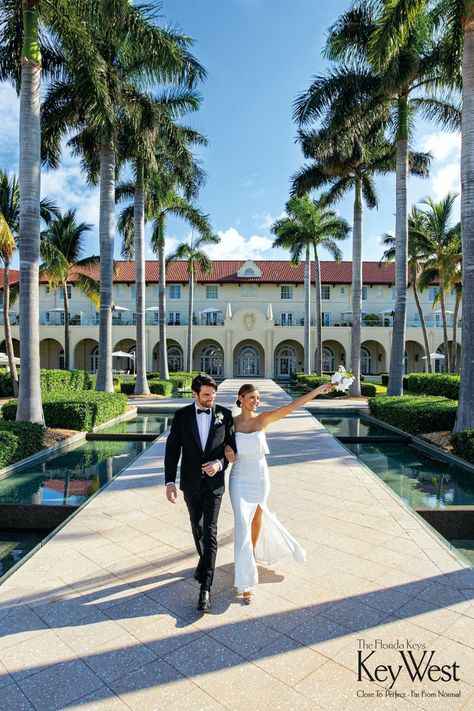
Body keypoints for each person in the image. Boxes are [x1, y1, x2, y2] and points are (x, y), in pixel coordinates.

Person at [224, 380, 334, 603]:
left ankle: (250, 556)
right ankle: (246, 583)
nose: (256, 401)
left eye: (258, 398)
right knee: (242, 524)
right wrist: (227, 446)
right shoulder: (231, 423)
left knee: (256, 520)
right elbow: (220, 441)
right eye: (252, 397)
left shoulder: (263, 419)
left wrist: (318, 390)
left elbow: (292, 406)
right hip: (238, 477)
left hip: (260, 476)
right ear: (241, 398)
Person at [164, 373, 235, 612]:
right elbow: (172, 450)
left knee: (210, 530)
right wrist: (169, 482)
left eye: (213, 395)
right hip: (191, 483)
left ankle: (205, 588)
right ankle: (204, 563)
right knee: (197, 526)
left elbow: (232, 448)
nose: (210, 399)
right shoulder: (181, 416)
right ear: (194, 393)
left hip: (214, 485)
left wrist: (220, 464)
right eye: (206, 395)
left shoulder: (224, 415)